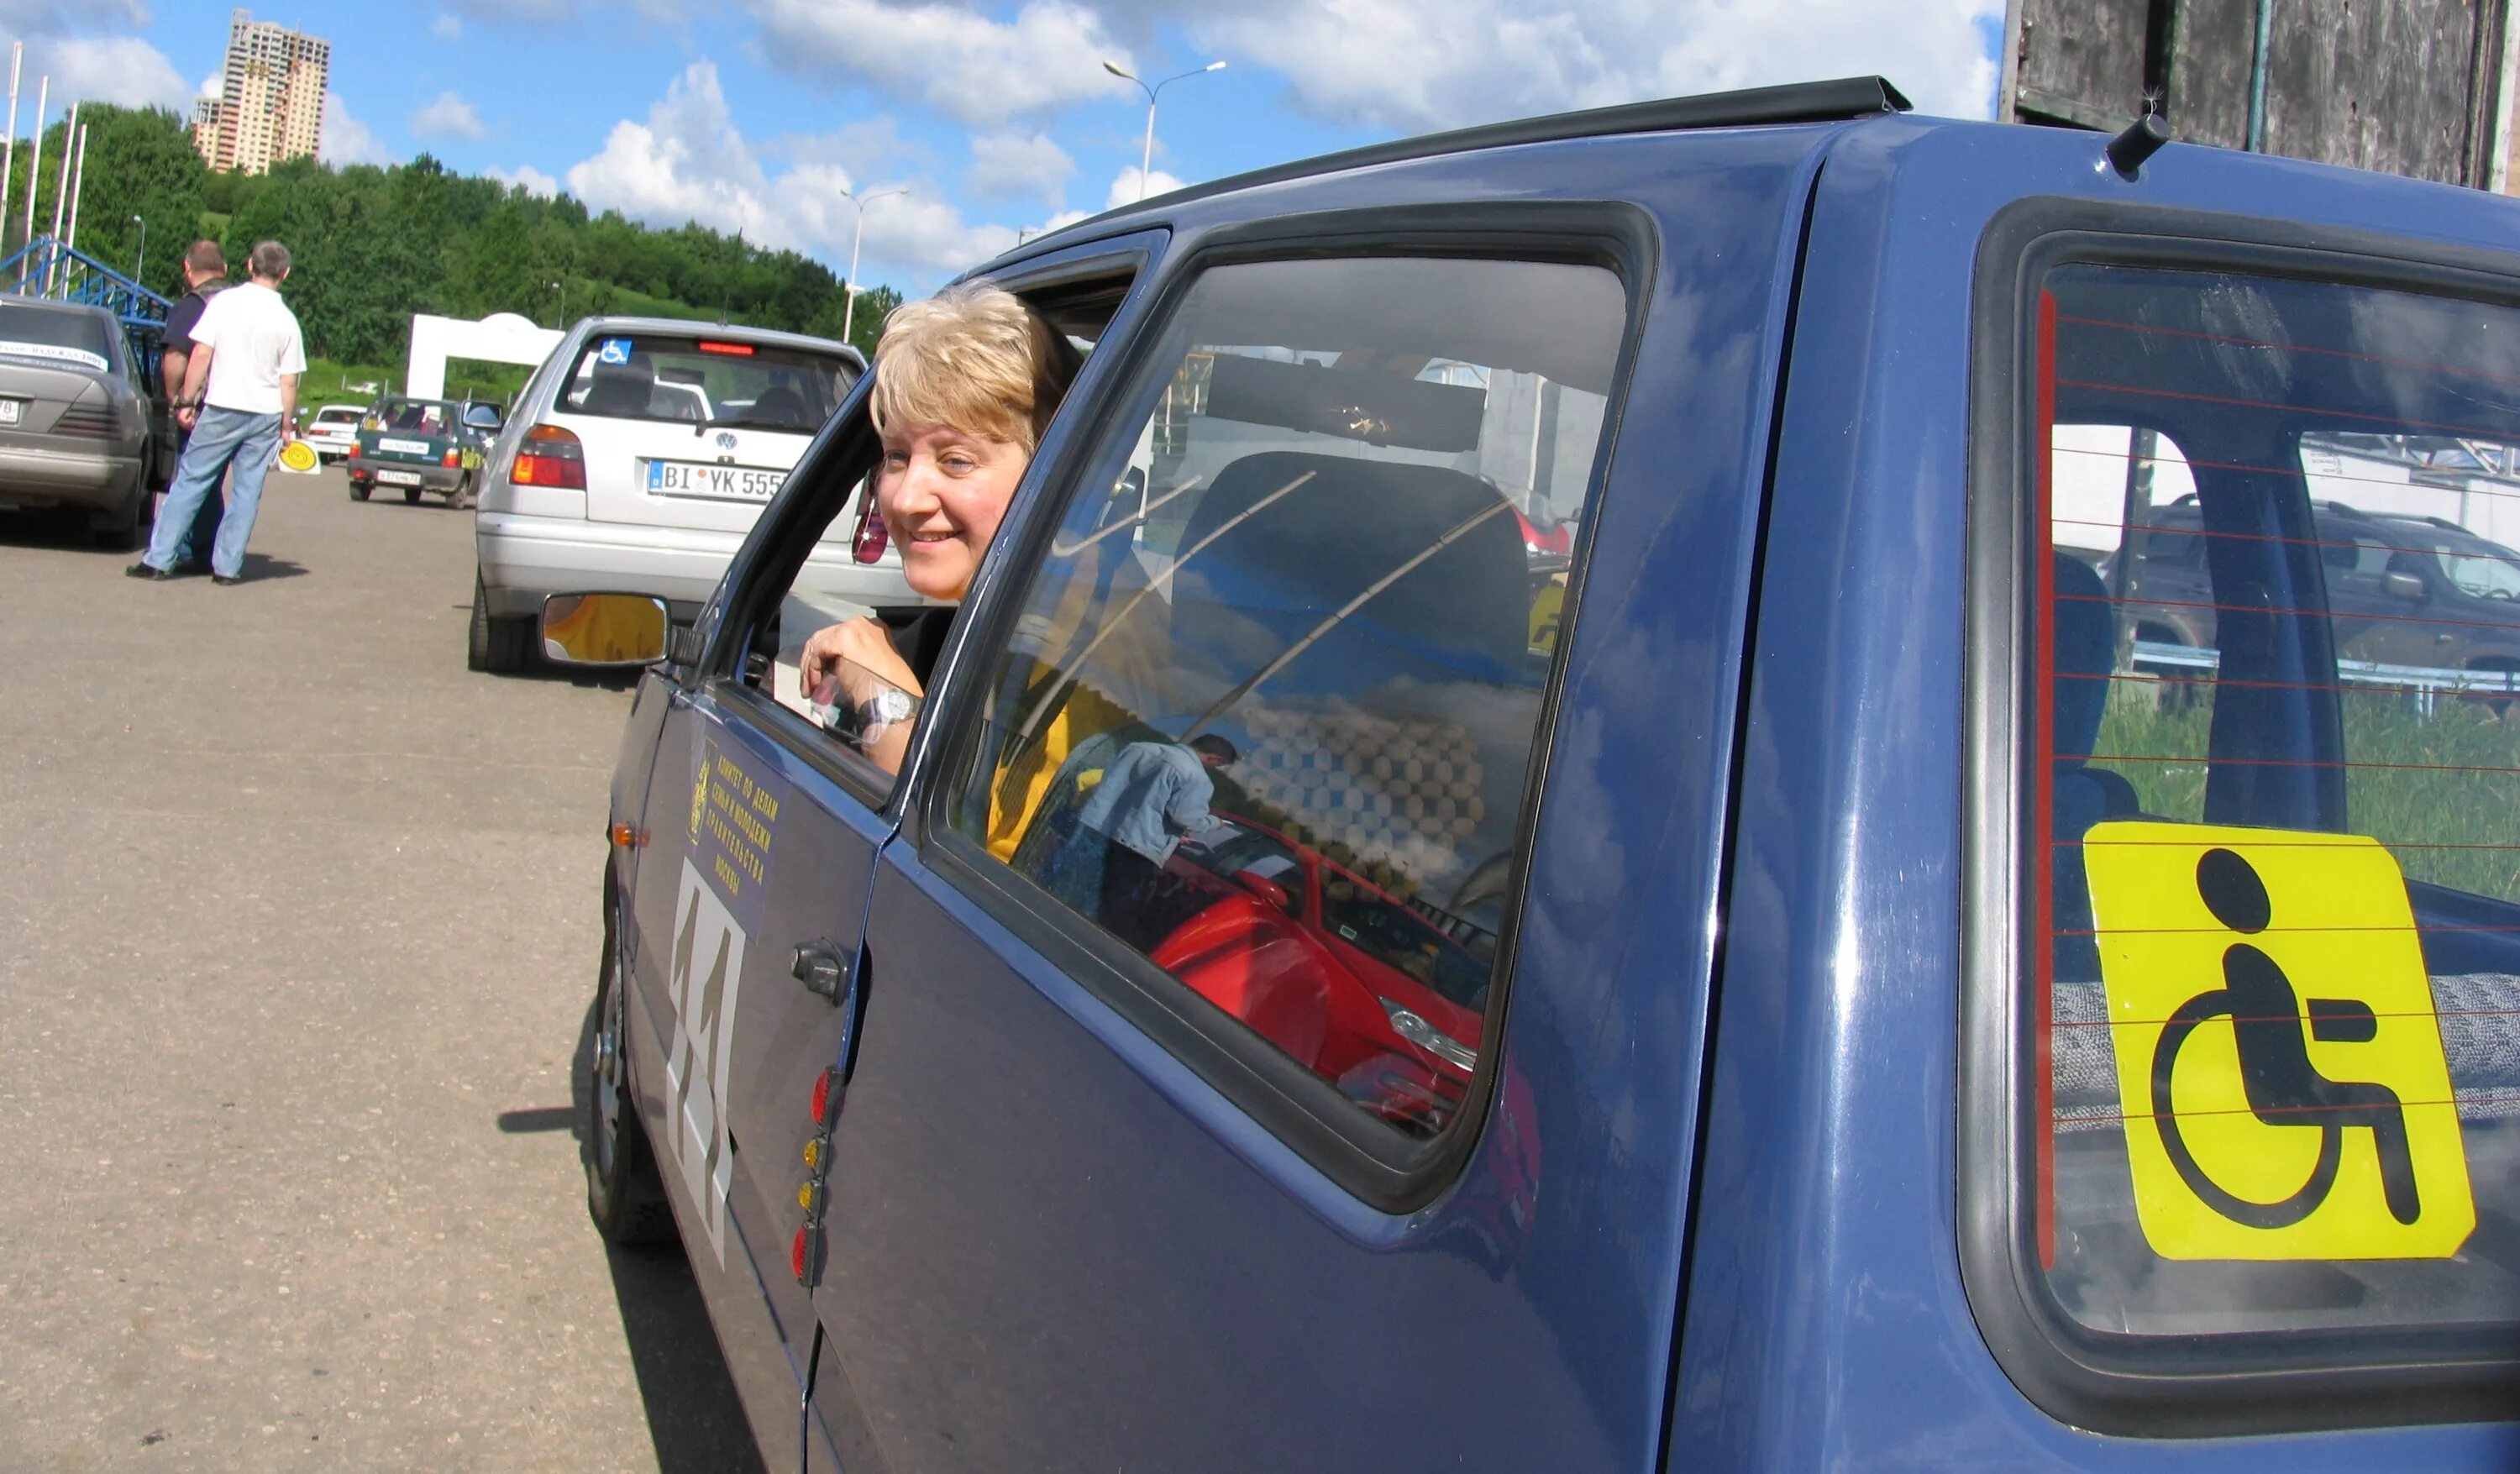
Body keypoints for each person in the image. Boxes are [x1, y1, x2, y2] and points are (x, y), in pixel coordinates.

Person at [797, 281, 1081, 771]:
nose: (906, 499)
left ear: (1055, 467)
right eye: (896, 456)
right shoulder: (1024, 619)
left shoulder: (1097, 657)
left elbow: (943, 835)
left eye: (956, 461)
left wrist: (881, 690)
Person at [129, 240, 306, 585]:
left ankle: (159, 559)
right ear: (285, 273)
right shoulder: (287, 321)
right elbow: (288, 382)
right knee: (247, 491)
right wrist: (287, 426)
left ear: (247, 265)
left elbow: (201, 355)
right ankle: (227, 567)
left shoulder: (224, 304)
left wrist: (186, 401)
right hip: (265, 414)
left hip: (223, 405)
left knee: (192, 481)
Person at [1066, 734, 1239, 951]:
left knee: (1072, 894)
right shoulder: (1196, 777)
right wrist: (1215, 823)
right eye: (1218, 765)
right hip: (1137, 849)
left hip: (1097, 829)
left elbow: (1130, 794)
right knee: (1110, 917)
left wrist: (1172, 831)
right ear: (1214, 759)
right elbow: (1186, 817)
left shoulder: (1137, 747)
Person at [156, 240, 229, 572]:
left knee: (190, 478)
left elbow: (175, 356)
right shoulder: (241, 303)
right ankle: (214, 549)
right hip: (239, 404)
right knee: (215, 481)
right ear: (225, 269)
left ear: (187, 268)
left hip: (200, 405)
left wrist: (176, 397)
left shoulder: (193, 305)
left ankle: (187, 549)